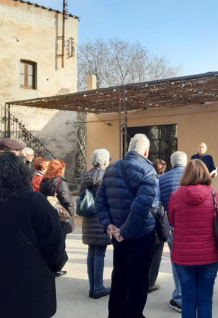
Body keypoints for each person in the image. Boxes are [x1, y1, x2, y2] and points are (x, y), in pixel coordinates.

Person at [0, 152, 67, 318]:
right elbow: (55, 244)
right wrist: (55, 266)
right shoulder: (34, 201)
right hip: (30, 287)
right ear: (21, 174)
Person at [95, 133, 157, 318]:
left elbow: (100, 200)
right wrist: (124, 231)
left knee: (119, 276)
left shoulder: (112, 168)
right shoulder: (148, 170)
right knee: (138, 280)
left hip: (118, 234)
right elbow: (141, 207)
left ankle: (115, 314)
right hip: (138, 235)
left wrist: (109, 226)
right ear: (146, 151)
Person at [169, 159, 218, 318]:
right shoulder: (212, 195)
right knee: (205, 300)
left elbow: (172, 221)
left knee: (188, 300)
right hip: (209, 254)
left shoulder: (175, 196)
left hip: (183, 255)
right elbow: (216, 218)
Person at [159, 151, 187, 313]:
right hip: (193, 228)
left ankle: (179, 297)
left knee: (177, 263)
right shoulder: (195, 177)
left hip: (173, 228)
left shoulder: (162, 179)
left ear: (171, 163)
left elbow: (157, 204)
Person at [81, 149, 112, 299]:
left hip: (88, 218)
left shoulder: (86, 175)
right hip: (101, 218)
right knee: (100, 252)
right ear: (105, 161)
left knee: (91, 252)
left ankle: (93, 287)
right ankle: (98, 287)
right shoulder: (106, 175)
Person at [40, 159, 74, 277]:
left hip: (48, 215)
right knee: (60, 244)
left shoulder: (44, 181)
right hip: (60, 217)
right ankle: (56, 268)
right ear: (60, 169)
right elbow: (67, 201)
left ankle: (49, 266)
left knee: (51, 241)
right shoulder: (60, 182)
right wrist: (71, 214)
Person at [148, 158, 167, 293]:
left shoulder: (147, 178)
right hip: (158, 218)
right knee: (157, 252)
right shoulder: (162, 180)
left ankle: (144, 279)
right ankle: (151, 283)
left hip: (147, 218)